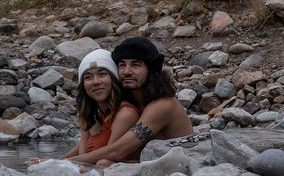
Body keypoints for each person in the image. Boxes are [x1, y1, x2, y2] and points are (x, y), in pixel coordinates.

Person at [68, 37, 192, 166]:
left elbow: (118, 151)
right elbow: (94, 142)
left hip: (185, 166)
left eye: (135, 65)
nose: (127, 72)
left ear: (151, 69)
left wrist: (65, 163)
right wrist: (58, 161)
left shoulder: (163, 105)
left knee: (104, 163)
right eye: (122, 65)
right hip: (156, 163)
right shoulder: (131, 101)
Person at [53, 48, 139, 161]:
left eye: (102, 74)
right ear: (83, 85)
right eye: (88, 77)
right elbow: (82, 157)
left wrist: (60, 164)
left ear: (113, 79)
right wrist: (50, 162)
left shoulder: (126, 114)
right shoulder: (91, 115)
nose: (96, 82)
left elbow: (109, 158)